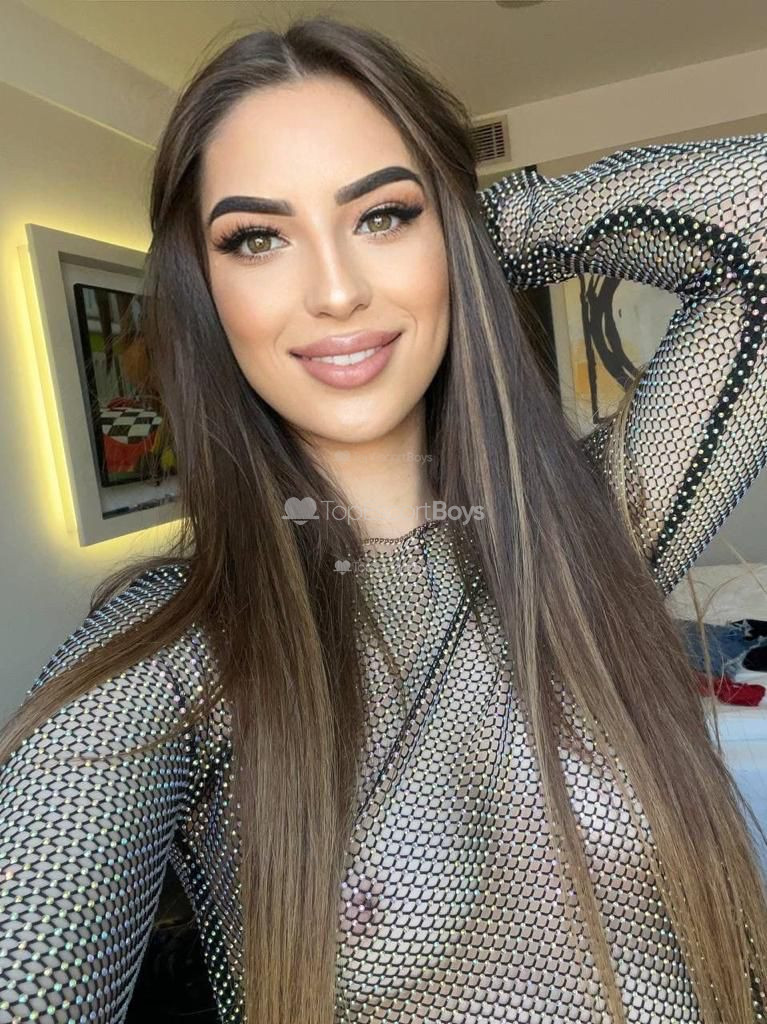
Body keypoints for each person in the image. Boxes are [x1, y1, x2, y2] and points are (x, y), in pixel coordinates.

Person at [1, 15, 766, 1024]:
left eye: (381, 216)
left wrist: (460, 234)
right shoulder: (174, 662)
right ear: (203, 290)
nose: (334, 290)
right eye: (257, 238)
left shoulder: (586, 533)